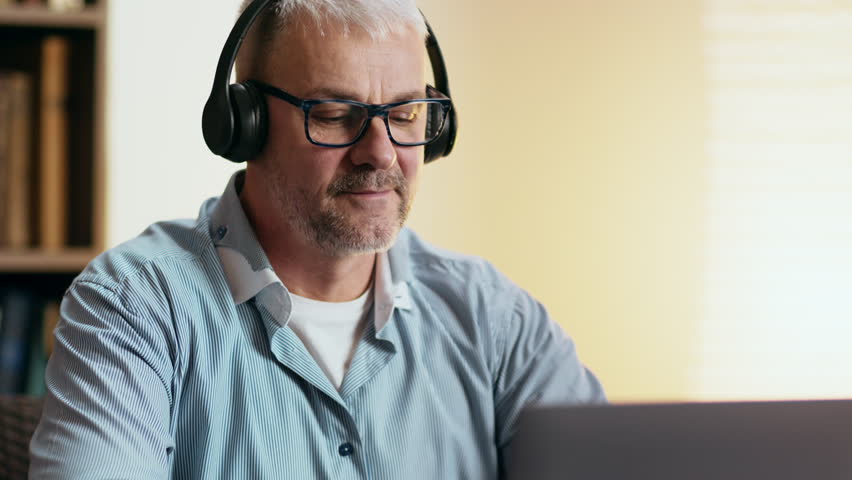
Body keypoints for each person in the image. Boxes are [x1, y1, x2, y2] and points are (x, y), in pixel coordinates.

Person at [29, 0, 605, 478]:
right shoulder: (133, 306)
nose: (381, 153)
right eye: (334, 113)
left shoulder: (495, 318)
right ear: (243, 122)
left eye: (406, 114)